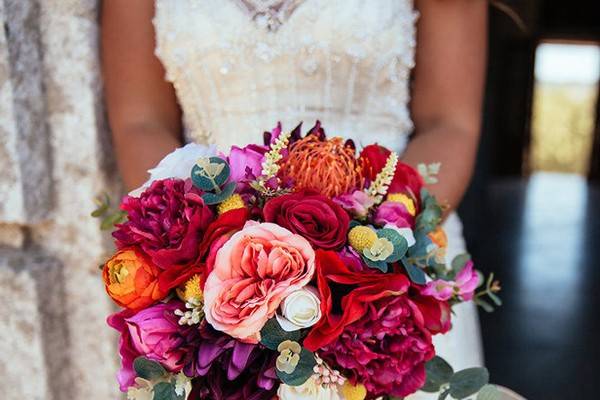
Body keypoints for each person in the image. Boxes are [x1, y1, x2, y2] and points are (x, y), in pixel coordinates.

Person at [101, 1, 487, 398]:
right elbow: (140, 123)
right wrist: (216, 259)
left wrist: (368, 255)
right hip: (213, 277)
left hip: (388, 264)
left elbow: (449, 124)